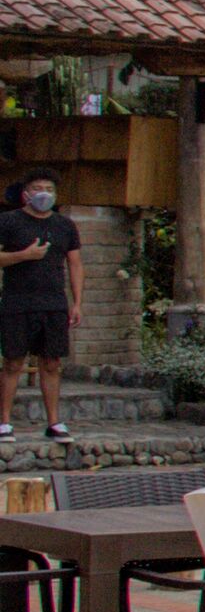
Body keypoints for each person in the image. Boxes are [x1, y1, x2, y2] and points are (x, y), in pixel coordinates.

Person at [0, 171, 80, 441]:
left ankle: (54, 423)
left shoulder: (65, 225)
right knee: (13, 362)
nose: (43, 192)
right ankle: (4, 423)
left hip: (53, 303)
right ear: (26, 193)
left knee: (52, 362)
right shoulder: (8, 221)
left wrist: (77, 302)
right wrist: (24, 255)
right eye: (37, 188)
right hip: (17, 301)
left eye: (48, 188)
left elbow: (75, 263)